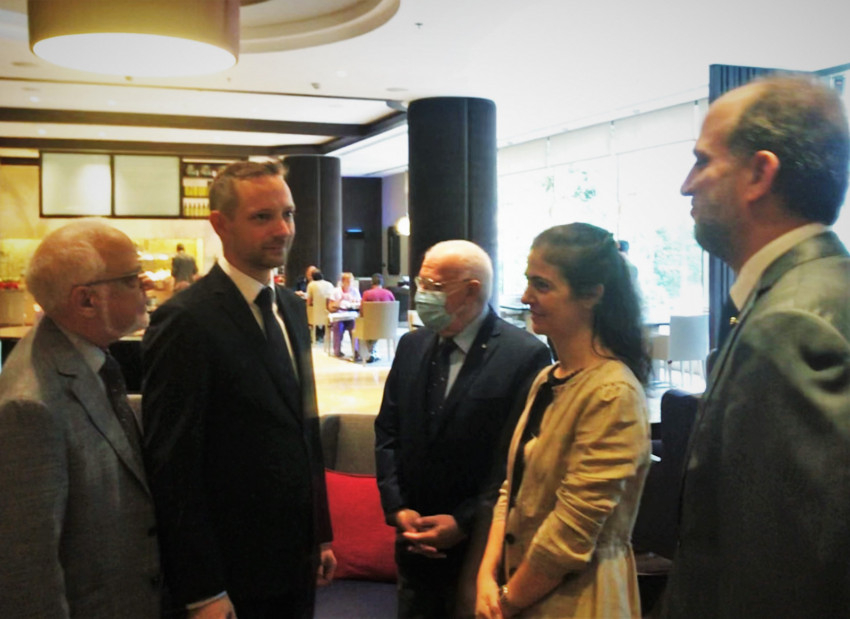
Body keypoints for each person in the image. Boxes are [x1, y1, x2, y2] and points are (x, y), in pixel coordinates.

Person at [662, 76, 850, 618]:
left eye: (702, 161)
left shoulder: (789, 324)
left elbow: (781, 576)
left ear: (759, 174)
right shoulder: (820, 291)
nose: (686, 186)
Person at [142, 160, 336, 619]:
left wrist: (320, 534)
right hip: (232, 570)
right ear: (220, 225)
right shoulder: (186, 321)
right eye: (262, 217)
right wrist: (202, 589)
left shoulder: (291, 308)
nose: (282, 229)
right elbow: (173, 467)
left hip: (295, 560)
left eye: (287, 214)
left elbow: (303, 432)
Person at [476, 223, 652, 619]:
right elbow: (512, 490)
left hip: (581, 601)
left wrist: (506, 601)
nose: (526, 297)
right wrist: (486, 574)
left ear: (591, 295)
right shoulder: (547, 378)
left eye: (542, 285)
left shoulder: (612, 392)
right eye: (528, 282)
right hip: (520, 590)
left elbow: (571, 532)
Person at [376, 240, 551, 619]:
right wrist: (397, 507)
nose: (422, 295)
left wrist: (463, 522)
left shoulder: (523, 355)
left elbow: (515, 460)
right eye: (420, 283)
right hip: (413, 543)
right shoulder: (412, 345)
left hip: (478, 549)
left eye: (434, 287)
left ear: (472, 291)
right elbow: (388, 430)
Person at [0, 220, 161, 617]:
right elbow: (27, 573)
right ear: (87, 301)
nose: (147, 286)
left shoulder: (83, 356)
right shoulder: (30, 408)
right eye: (132, 279)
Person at [357, 272, 396, 362]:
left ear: (372, 283)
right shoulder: (389, 293)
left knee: (360, 324)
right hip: (387, 327)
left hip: (371, 327)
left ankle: (366, 353)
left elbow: (362, 311)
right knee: (375, 326)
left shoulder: (367, 294)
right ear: (382, 283)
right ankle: (373, 352)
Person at [327, 271, 361, 359]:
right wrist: (340, 300)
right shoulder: (336, 291)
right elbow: (330, 307)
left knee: (355, 327)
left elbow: (359, 303)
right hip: (339, 315)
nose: (350, 283)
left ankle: (356, 351)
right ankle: (337, 351)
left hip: (351, 316)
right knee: (338, 326)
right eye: (348, 281)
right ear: (343, 282)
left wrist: (355, 302)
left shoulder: (355, 291)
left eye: (351, 281)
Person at [306, 269, 334, 342]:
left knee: (307, 311)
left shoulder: (311, 285)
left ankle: (313, 335)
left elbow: (309, 301)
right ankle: (322, 334)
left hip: (315, 313)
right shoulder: (329, 284)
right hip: (328, 312)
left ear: (312, 277)